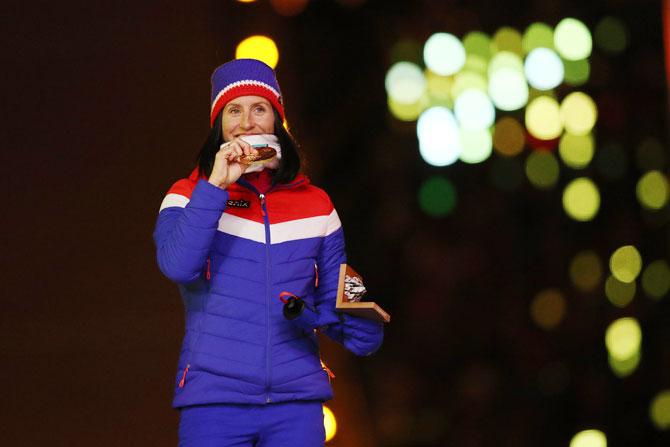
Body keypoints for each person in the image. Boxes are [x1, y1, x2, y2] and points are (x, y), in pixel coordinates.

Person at [153, 58, 384, 447]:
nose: (246, 123)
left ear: (277, 120)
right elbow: (177, 266)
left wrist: (363, 316)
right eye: (234, 110)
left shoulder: (317, 205)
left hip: (297, 405)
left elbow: (343, 300)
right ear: (218, 125)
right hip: (214, 402)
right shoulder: (187, 194)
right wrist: (215, 186)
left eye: (259, 108)